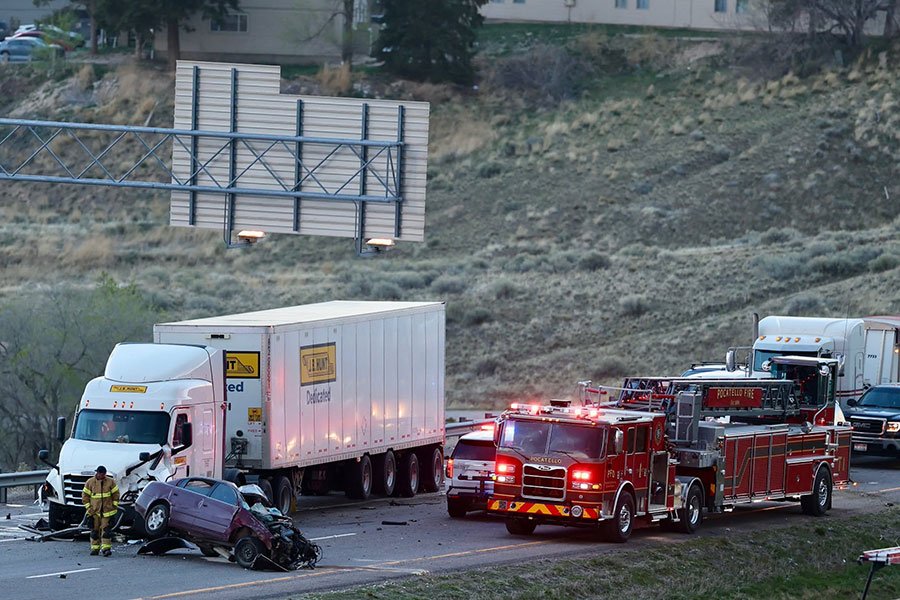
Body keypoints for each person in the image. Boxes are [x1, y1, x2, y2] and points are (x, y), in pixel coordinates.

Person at [81, 465, 119, 556]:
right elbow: (85, 497)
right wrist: (89, 508)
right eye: (100, 474)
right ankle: (95, 548)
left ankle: (106, 549)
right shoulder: (90, 482)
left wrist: (114, 506)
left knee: (106, 531)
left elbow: (116, 494)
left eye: (103, 474)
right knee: (94, 531)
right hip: (94, 512)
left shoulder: (110, 482)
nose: (101, 476)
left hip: (107, 512)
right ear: (97, 473)